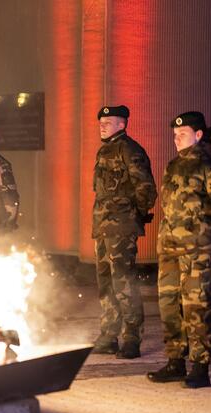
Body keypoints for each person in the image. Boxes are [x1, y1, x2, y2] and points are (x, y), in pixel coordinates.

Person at [148, 111, 211, 388]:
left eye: (182, 134)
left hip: (198, 250)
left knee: (196, 307)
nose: (176, 139)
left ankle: (200, 365)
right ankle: (176, 361)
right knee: (169, 305)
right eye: (174, 135)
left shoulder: (206, 164)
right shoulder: (172, 166)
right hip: (170, 249)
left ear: (199, 135)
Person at [91, 105, 157, 359]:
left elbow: (146, 187)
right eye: (102, 121)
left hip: (121, 226)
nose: (103, 125)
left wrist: (135, 215)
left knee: (124, 281)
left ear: (123, 124)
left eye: (110, 121)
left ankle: (131, 337)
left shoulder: (130, 150)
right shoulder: (104, 150)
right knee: (106, 282)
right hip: (103, 227)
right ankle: (109, 334)